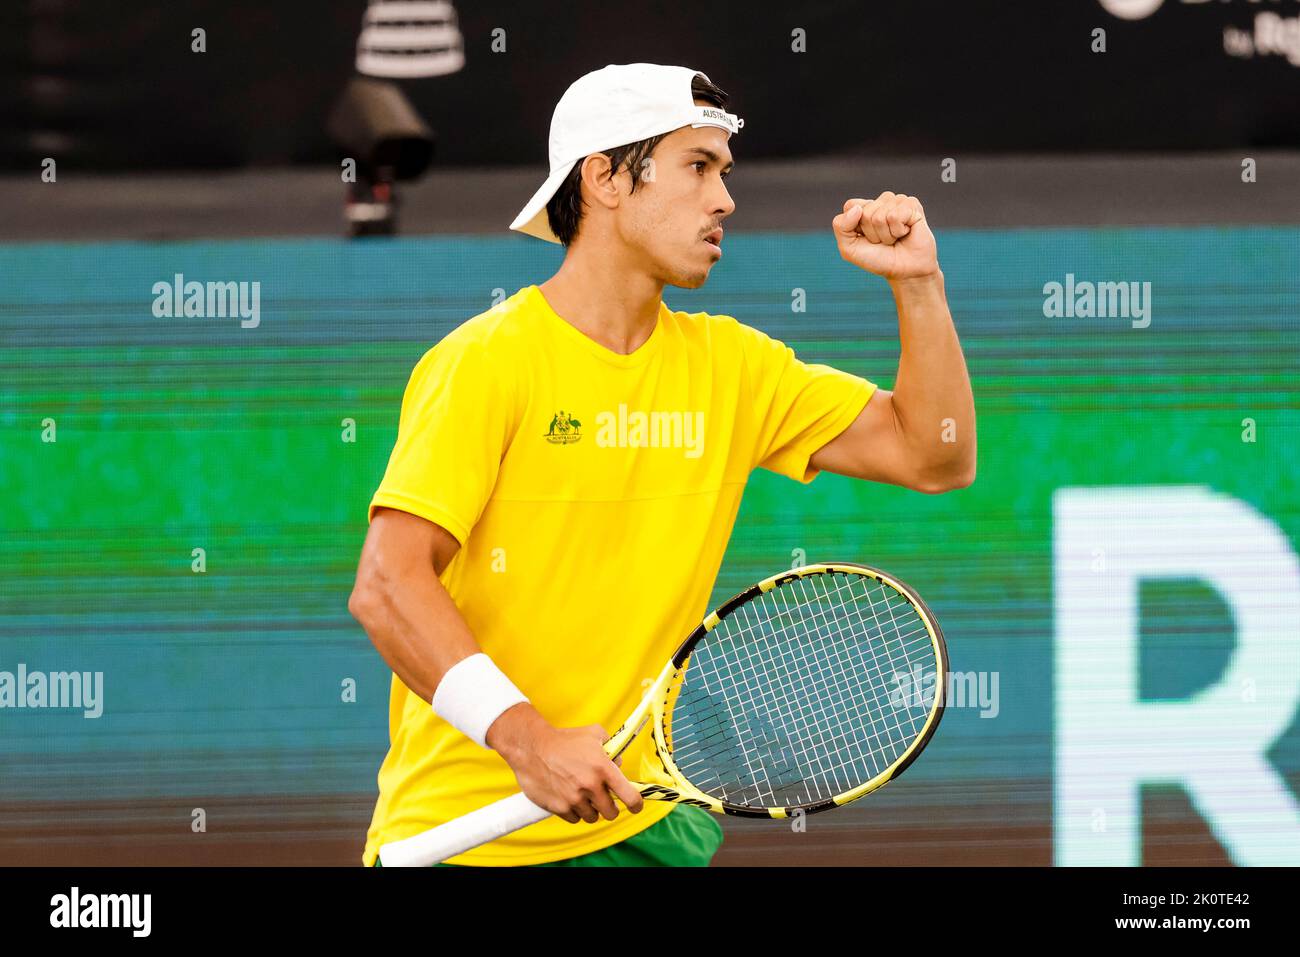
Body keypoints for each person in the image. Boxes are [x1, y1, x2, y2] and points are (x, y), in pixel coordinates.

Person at [349, 63, 975, 867]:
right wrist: (527, 738)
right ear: (605, 178)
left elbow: (937, 455)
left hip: (645, 826)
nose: (724, 199)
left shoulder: (734, 368)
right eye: (697, 166)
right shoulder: (485, 363)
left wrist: (919, 284)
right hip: (465, 840)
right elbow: (389, 583)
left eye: (724, 171)